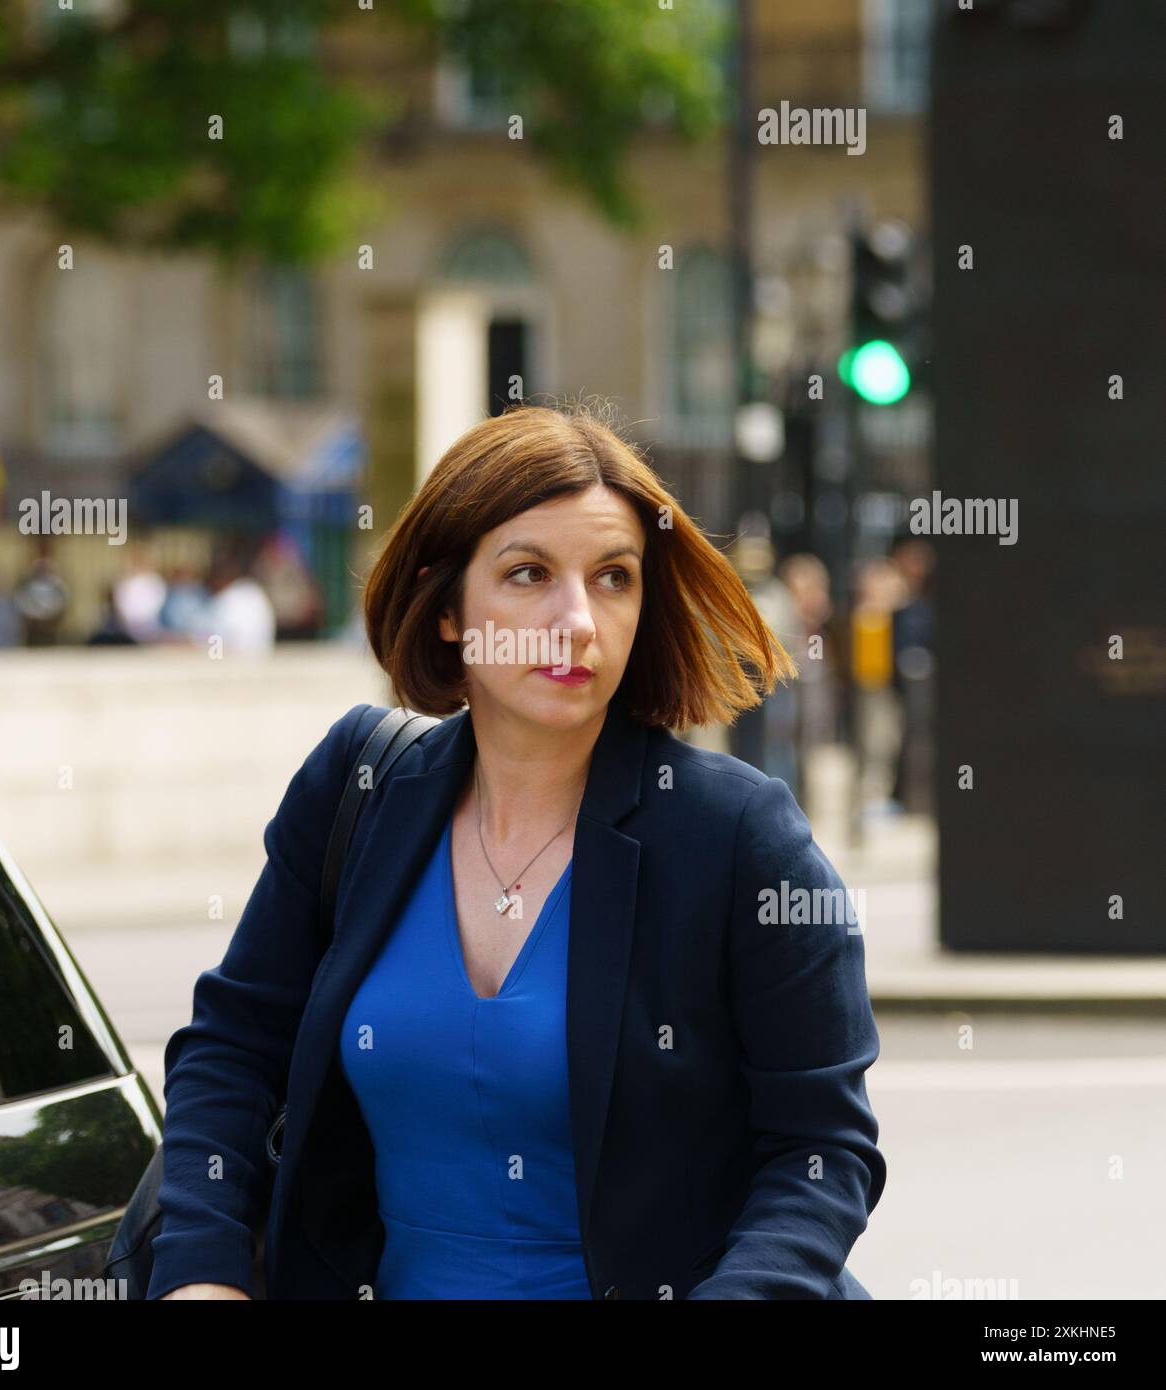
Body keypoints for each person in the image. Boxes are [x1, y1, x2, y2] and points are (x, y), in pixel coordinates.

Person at [148, 402, 885, 1301]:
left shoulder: (739, 836)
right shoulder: (359, 789)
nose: (578, 619)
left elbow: (820, 1148)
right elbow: (232, 1048)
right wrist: (200, 1275)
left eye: (614, 577)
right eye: (530, 573)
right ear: (449, 608)